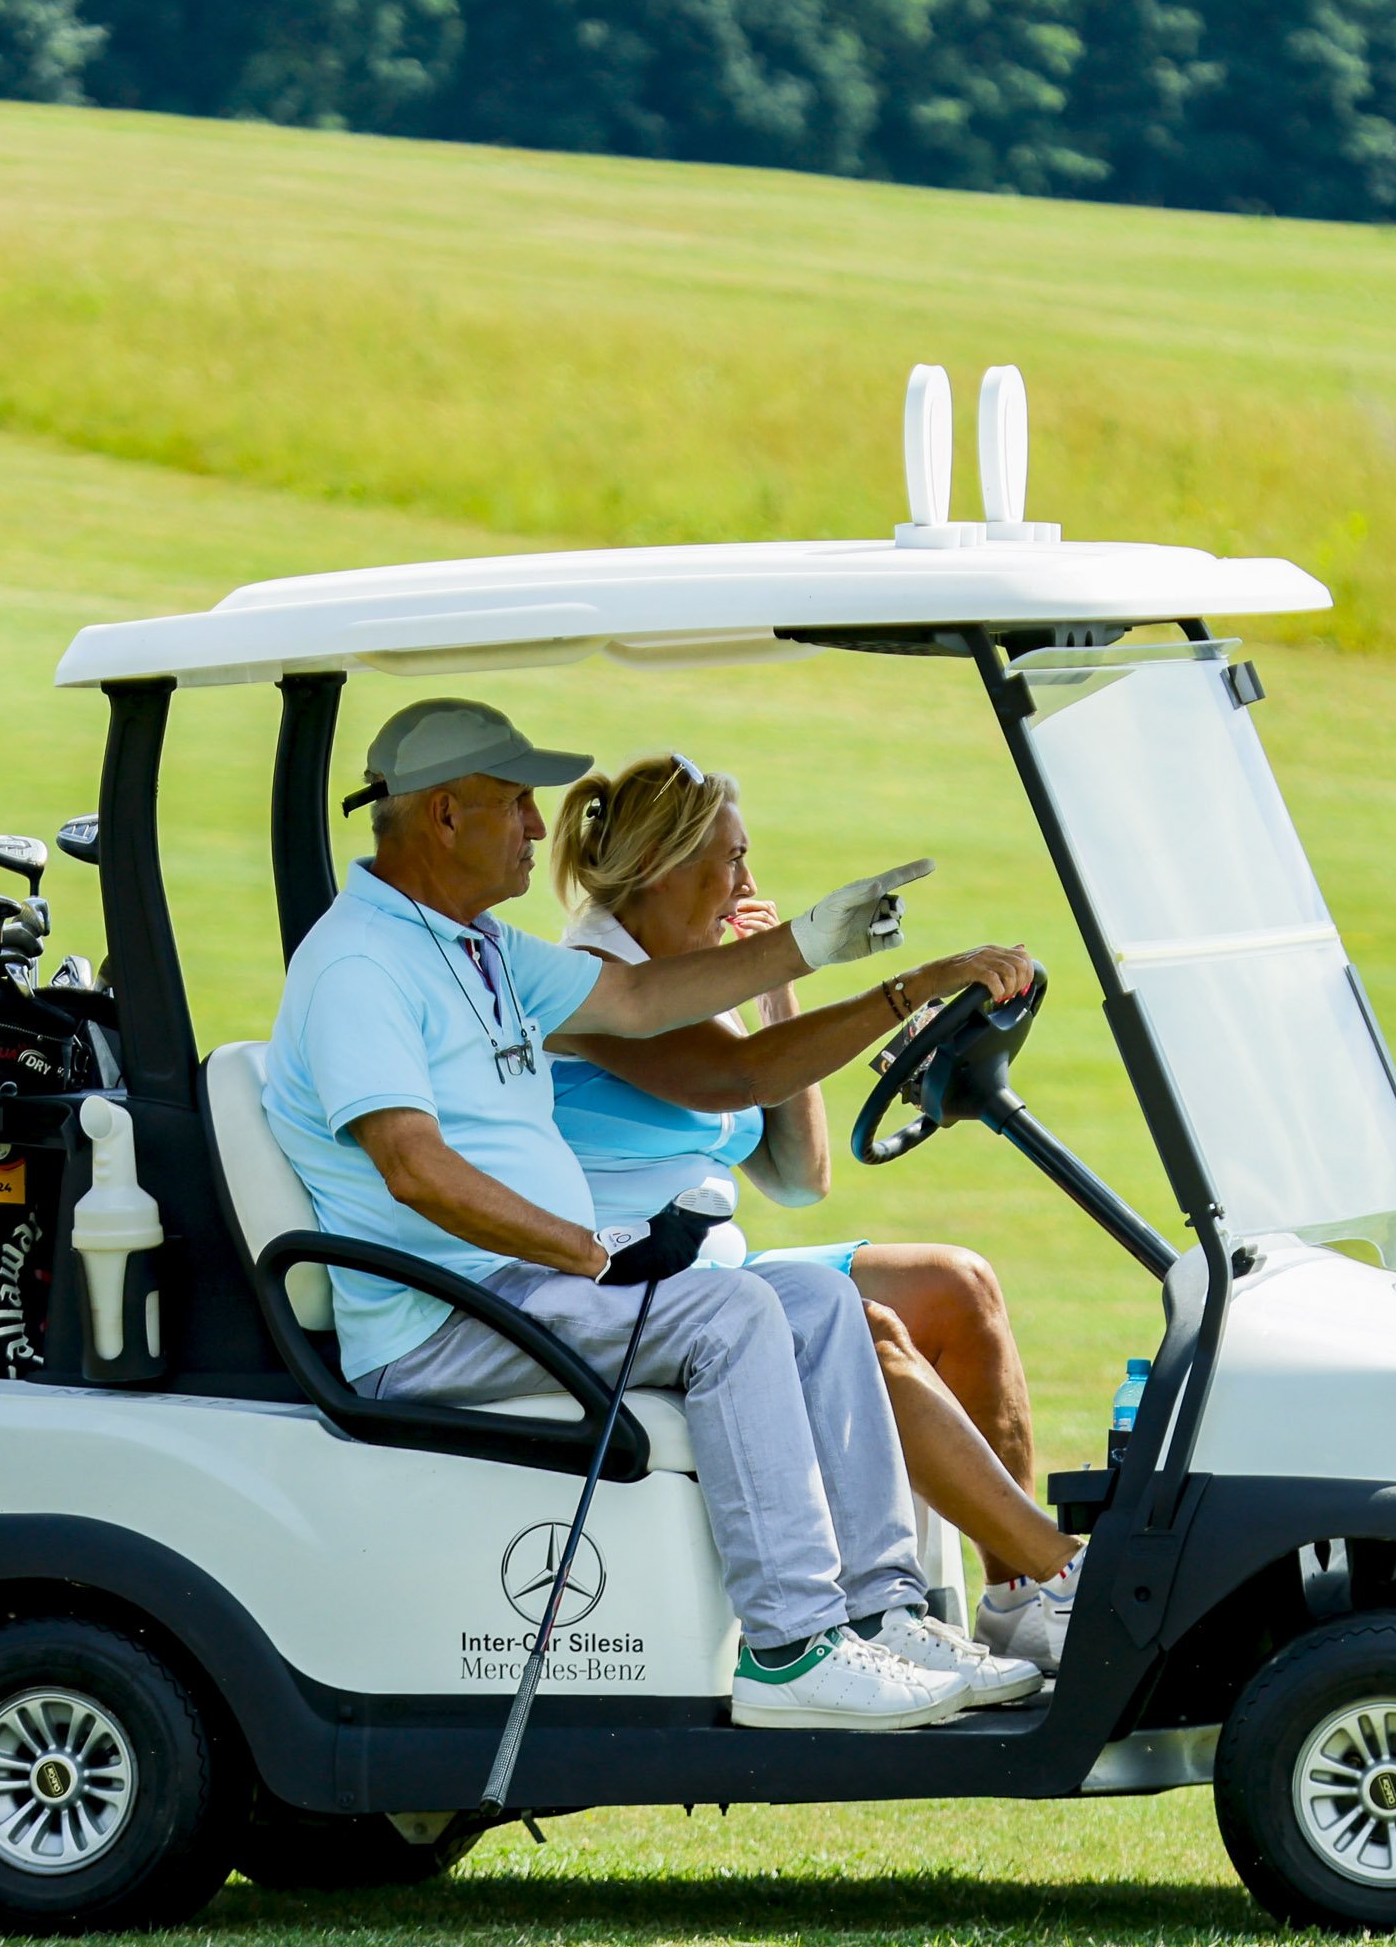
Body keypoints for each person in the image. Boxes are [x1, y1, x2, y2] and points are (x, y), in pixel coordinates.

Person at [262, 698, 1032, 1729]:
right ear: (445, 815)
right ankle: (792, 1646)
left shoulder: (473, 946)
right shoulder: (362, 964)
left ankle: (879, 1611)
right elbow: (414, 1168)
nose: (540, 830)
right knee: (732, 1312)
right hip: (447, 1316)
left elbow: (639, 999)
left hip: (518, 1289)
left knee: (809, 1295)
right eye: (516, 805)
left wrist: (822, 948)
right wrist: (581, 1247)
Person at [541, 752, 1086, 1672]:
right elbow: (742, 1075)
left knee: (957, 1286)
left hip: (710, 1270)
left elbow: (799, 1177)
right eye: (732, 862)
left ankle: (1019, 1604)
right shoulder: (596, 980)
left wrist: (769, 987)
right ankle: (1062, 1568)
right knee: (869, 1334)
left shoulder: (685, 978)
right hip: (639, 1287)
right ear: (663, 870)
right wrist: (907, 986)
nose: (748, 886)